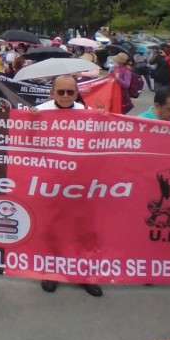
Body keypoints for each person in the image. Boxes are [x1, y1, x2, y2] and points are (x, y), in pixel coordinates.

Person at [33, 75, 102, 297]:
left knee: (82, 230)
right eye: (60, 92)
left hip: (80, 183)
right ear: (51, 92)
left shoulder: (86, 113)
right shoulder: (39, 112)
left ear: (76, 93)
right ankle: (50, 272)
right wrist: (29, 122)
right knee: (52, 229)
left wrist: (102, 120)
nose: (65, 96)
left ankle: (84, 274)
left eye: (69, 92)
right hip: (50, 183)